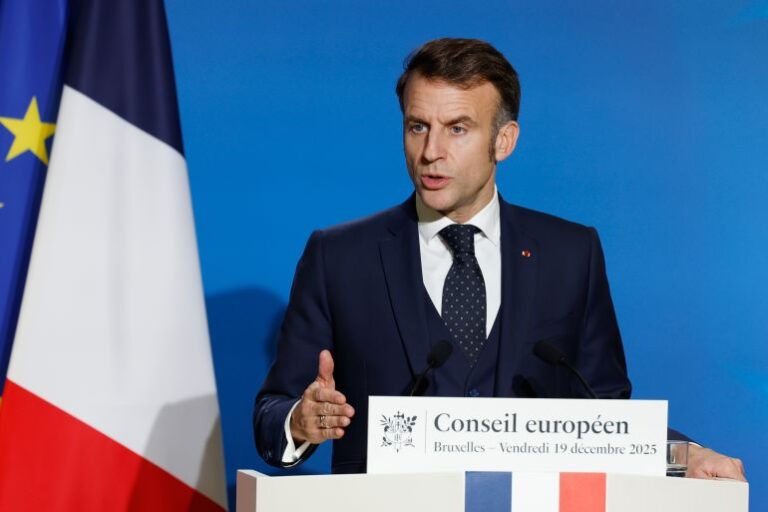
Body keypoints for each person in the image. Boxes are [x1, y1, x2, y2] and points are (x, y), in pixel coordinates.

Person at [253, 38, 745, 481]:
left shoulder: (571, 255)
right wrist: (300, 421)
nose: (431, 151)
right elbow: (271, 414)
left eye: (457, 129)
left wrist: (684, 457)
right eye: (418, 126)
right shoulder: (340, 257)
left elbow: (607, 415)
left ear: (504, 141)